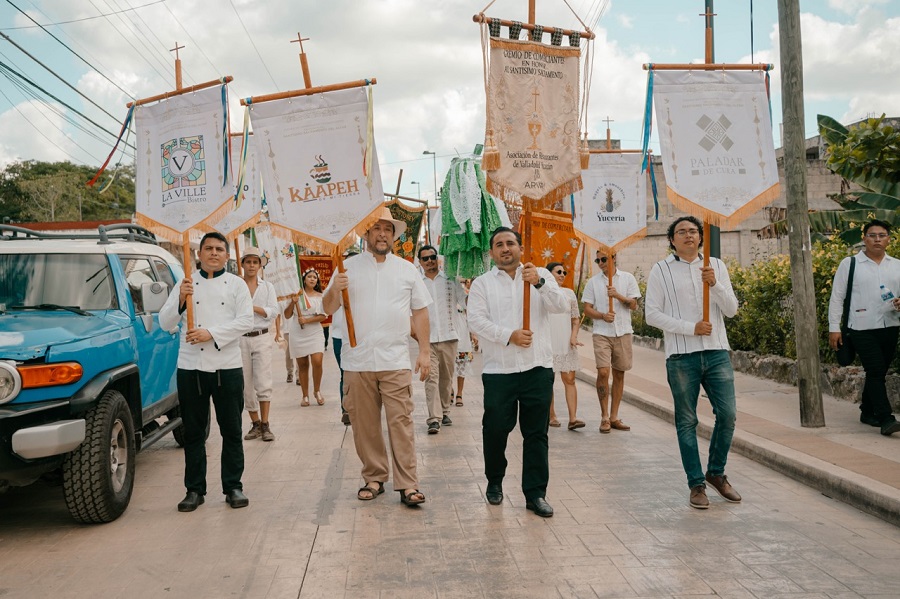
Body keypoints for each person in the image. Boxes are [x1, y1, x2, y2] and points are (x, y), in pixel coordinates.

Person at [323, 207, 431, 507]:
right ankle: (374, 476)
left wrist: (424, 351)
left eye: (387, 229)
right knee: (364, 425)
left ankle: (408, 484)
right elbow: (329, 307)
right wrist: (336, 288)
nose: (382, 233)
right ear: (366, 234)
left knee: (401, 422)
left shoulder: (407, 269)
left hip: (395, 359)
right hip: (357, 360)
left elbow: (420, 311)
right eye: (376, 229)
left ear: (394, 235)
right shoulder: (346, 267)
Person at [467, 227, 569, 518]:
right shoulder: (482, 284)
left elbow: (560, 305)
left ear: (520, 247)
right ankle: (495, 481)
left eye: (510, 242)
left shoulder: (540, 276)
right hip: (500, 370)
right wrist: (508, 335)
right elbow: (476, 320)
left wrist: (538, 282)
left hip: (537, 367)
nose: (505, 248)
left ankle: (536, 494)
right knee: (496, 429)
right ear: (491, 253)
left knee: (536, 433)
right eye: (498, 244)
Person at [645, 216, 741, 510]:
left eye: (693, 231)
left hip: (716, 352)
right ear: (671, 240)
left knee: (728, 415)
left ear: (701, 237)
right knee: (687, 420)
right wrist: (691, 327)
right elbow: (651, 315)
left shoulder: (716, 266)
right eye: (681, 232)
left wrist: (716, 285)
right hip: (681, 355)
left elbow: (732, 310)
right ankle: (696, 483)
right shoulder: (660, 270)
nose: (688, 235)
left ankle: (716, 472)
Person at [159, 232, 254, 512]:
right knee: (194, 433)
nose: (214, 253)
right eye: (208, 248)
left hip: (227, 366)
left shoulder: (236, 285)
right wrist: (180, 300)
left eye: (219, 249)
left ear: (227, 255)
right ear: (198, 254)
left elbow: (246, 321)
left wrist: (209, 333)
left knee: (232, 430)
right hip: (191, 368)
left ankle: (233, 486)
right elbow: (165, 322)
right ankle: (194, 489)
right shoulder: (185, 284)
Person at [828, 219, 900, 436]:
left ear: (888, 239)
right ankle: (886, 418)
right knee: (876, 369)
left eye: (881, 235)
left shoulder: (897, 265)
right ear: (864, 238)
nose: (877, 239)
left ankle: (867, 411)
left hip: (891, 324)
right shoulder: (849, 264)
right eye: (872, 235)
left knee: (878, 371)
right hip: (860, 327)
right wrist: (834, 327)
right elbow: (837, 297)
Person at [581, 252, 641, 433]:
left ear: (613, 258)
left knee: (619, 374)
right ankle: (604, 416)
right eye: (597, 260)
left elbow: (634, 305)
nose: (600, 263)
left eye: (603, 259)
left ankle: (614, 416)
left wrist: (618, 296)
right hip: (602, 332)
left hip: (623, 332)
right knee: (603, 372)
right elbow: (587, 309)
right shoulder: (593, 282)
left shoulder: (628, 278)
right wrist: (602, 315)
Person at [418, 245, 467, 434]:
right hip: (427, 339)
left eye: (432, 257)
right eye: (425, 258)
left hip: (449, 336)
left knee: (446, 378)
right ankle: (433, 418)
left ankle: (445, 410)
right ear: (420, 262)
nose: (430, 261)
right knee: (431, 378)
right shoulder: (417, 282)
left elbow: (464, 301)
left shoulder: (450, 279)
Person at [239, 247, 279, 442]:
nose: (252, 265)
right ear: (243, 264)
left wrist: (253, 308)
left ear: (260, 265)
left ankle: (265, 423)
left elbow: (273, 311)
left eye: (255, 262)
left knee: (263, 380)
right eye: (248, 262)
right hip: (241, 338)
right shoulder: (236, 286)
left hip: (262, 336)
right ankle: (254, 423)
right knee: (245, 383)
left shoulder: (267, 287)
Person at [545, 262, 584, 430]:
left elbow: (575, 319)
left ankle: (573, 418)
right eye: (558, 271)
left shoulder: (569, 294)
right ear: (549, 274)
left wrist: (574, 336)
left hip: (566, 343)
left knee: (570, 379)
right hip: (548, 342)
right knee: (548, 381)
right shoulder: (543, 293)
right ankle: (551, 415)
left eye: (564, 272)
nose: (562, 274)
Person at [284, 268, 327, 407]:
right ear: (304, 279)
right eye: (310, 277)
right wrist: (292, 302)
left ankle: (317, 390)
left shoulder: (321, 296)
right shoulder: (297, 295)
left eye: (315, 277)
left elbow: (323, 316)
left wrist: (307, 321)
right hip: (298, 332)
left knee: (317, 361)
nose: (312, 279)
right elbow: (287, 315)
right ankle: (305, 395)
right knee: (302, 365)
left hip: (314, 331)